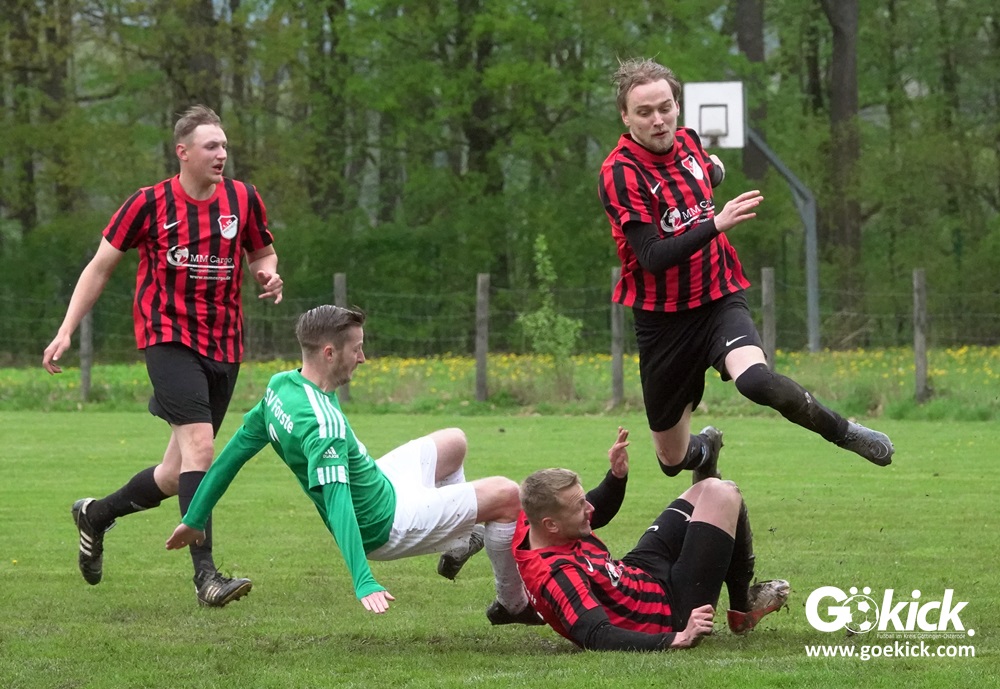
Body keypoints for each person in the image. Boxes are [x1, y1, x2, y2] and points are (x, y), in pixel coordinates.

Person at [598, 58, 894, 480]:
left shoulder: (690, 142)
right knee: (672, 460)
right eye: (644, 112)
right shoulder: (620, 172)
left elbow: (706, 169)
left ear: (677, 106)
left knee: (755, 381)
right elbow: (652, 256)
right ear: (625, 116)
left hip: (718, 296)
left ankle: (844, 431)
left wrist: (715, 170)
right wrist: (715, 223)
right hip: (662, 320)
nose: (658, 120)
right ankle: (706, 451)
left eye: (665, 108)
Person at [42, 105, 283, 607]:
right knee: (201, 450)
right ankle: (206, 577)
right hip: (167, 338)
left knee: (177, 474)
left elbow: (261, 252)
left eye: (224, 145)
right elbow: (99, 267)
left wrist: (268, 273)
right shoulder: (148, 203)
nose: (221, 154)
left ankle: (95, 515)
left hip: (225, 344)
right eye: (211, 146)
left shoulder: (243, 198)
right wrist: (66, 330)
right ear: (183, 152)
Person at [165, 305, 541, 623]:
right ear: (329, 353)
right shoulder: (322, 425)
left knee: (454, 441)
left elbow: (232, 455)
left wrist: (195, 516)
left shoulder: (281, 385)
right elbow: (338, 502)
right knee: (508, 495)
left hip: (381, 483)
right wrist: (363, 579)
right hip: (384, 524)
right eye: (357, 349)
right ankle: (512, 604)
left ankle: (459, 540)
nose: (363, 358)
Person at [512, 426, 789, 651]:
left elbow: (599, 508)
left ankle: (732, 588)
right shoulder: (558, 575)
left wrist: (616, 477)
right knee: (724, 493)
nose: (590, 509)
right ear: (551, 525)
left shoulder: (533, 522)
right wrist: (677, 637)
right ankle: (743, 606)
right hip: (670, 611)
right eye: (579, 506)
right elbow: (596, 634)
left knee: (709, 488)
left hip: (638, 571)